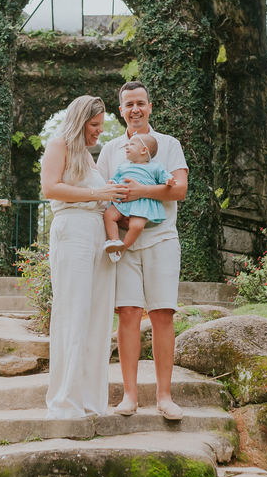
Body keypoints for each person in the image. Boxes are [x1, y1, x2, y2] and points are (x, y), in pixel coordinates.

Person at [96, 81, 188, 421]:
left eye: (141, 103)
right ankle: (130, 396)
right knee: (129, 314)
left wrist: (141, 192)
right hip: (125, 244)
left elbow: (179, 190)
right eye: (128, 104)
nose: (135, 109)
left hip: (162, 239)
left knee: (163, 314)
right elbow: (102, 192)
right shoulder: (110, 151)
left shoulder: (168, 144)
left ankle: (164, 396)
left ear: (150, 106)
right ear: (121, 111)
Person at [40, 95, 128, 419]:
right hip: (72, 229)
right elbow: (50, 188)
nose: (98, 132)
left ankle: (90, 402)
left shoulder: (90, 159)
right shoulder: (58, 145)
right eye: (94, 125)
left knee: (98, 319)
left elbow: (101, 198)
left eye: (101, 126)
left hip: (97, 234)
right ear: (80, 121)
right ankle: (66, 403)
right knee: (73, 314)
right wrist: (97, 193)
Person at [101, 132, 174, 262]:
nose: (127, 147)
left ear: (144, 150)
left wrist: (169, 181)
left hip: (142, 203)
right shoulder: (122, 167)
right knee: (108, 215)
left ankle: (121, 250)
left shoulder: (155, 167)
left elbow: (165, 176)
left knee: (137, 226)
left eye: (132, 144)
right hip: (122, 202)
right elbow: (114, 178)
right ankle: (115, 240)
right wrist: (110, 182)